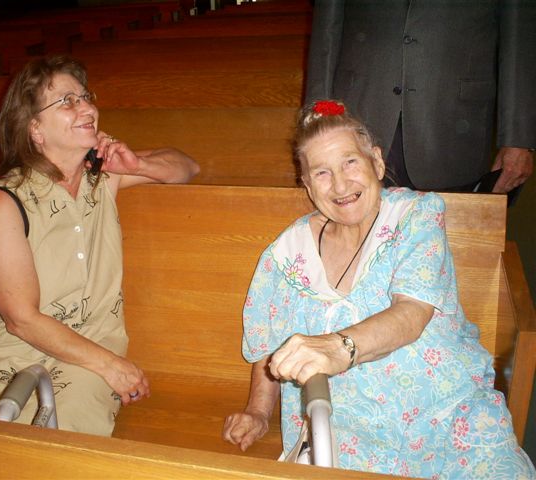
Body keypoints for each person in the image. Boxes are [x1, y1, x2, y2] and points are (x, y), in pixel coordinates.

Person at [222, 100, 535, 478]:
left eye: (350, 162)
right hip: (343, 427)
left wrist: (339, 347)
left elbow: (412, 314)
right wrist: (258, 412)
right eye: (321, 172)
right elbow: (267, 340)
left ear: (377, 162)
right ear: (306, 185)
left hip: (446, 416)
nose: (340, 185)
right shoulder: (286, 253)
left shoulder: (416, 216)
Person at [0, 55, 199, 435]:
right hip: (5, 352)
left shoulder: (102, 179)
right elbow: (21, 320)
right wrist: (112, 366)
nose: (86, 108)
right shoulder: (5, 202)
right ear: (35, 129)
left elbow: (187, 166)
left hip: (87, 352)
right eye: (67, 101)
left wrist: (136, 166)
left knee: (62, 441)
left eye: (85, 97)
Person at [305, 0, 535, 193]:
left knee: (454, 229)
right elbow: (326, 28)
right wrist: (314, 125)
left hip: (453, 125)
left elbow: (520, 30)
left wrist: (518, 139)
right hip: (359, 112)